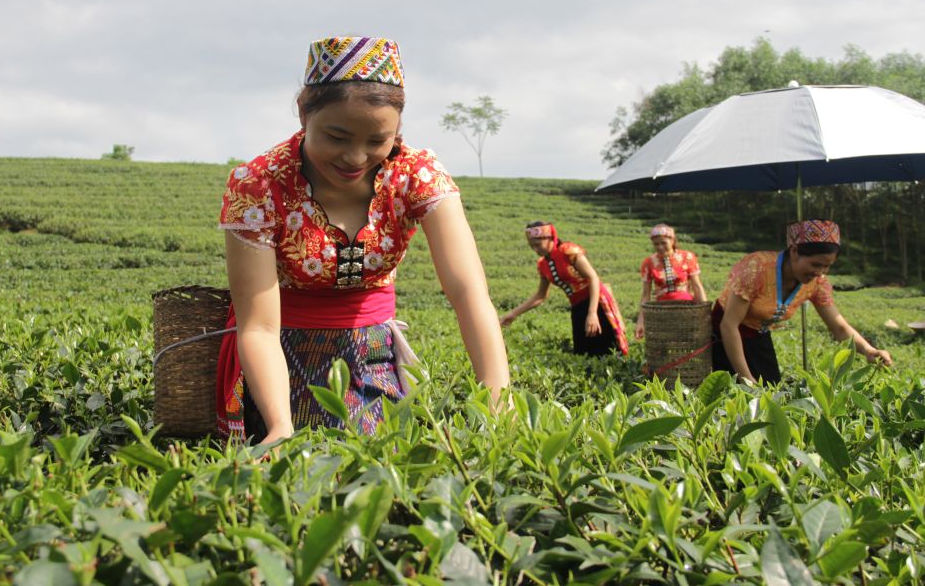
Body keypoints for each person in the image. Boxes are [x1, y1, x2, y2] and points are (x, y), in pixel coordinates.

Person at [217, 36, 511, 442]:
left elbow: (469, 294)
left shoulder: (417, 175)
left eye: (376, 141)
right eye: (337, 138)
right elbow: (259, 327)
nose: (355, 158)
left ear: (398, 129)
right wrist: (279, 425)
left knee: (387, 454)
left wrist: (498, 406)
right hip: (280, 363)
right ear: (303, 111)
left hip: (374, 354)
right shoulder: (260, 184)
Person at [712, 219, 892, 385]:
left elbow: (839, 327)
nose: (820, 272)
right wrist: (746, 379)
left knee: (770, 388)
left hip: (759, 333)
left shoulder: (817, 283)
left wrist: (868, 350)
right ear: (794, 252)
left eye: (827, 266)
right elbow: (729, 325)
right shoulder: (756, 269)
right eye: (816, 264)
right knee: (735, 390)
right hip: (725, 333)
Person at [500, 222, 629, 356]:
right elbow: (540, 295)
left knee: (608, 348)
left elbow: (593, 277)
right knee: (583, 352)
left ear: (550, 238)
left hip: (596, 303)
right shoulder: (543, 264)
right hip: (577, 307)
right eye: (532, 246)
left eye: (538, 245)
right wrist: (513, 314)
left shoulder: (568, 251)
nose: (535, 250)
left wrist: (592, 313)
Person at [634, 223, 707, 339]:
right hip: (663, 310)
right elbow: (646, 295)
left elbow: (697, 286)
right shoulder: (648, 262)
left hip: (686, 308)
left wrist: (705, 314)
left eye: (663, 243)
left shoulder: (687, 257)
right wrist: (640, 321)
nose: (660, 247)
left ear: (672, 241)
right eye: (656, 244)